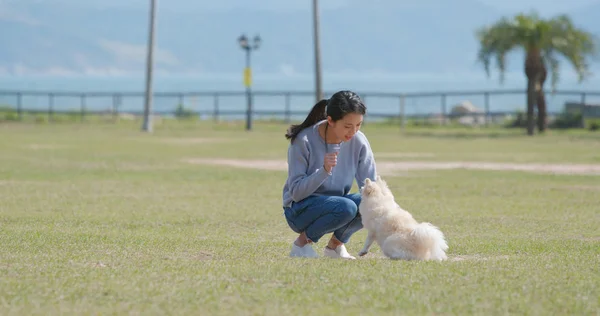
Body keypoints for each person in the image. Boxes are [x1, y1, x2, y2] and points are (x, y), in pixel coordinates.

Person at [282, 90, 377, 260]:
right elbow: (295, 193)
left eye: (359, 125)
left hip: (336, 205)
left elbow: (371, 185)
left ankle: (335, 248)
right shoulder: (303, 140)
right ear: (331, 120)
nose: (353, 131)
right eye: (348, 126)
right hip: (299, 210)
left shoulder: (359, 141)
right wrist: (324, 171)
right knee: (346, 207)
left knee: (370, 202)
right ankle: (301, 245)